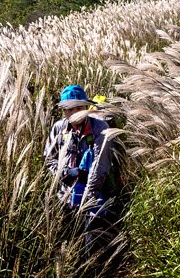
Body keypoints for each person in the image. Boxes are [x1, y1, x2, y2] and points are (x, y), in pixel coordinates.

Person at [44, 84, 115, 262]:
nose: (74, 113)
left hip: (93, 197)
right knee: (66, 244)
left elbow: (100, 166)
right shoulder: (59, 128)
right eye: (69, 109)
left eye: (79, 108)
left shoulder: (100, 128)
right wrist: (66, 172)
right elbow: (49, 160)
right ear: (64, 111)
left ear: (86, 108)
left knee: (91, 248)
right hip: (65, 196)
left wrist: (86, 201)